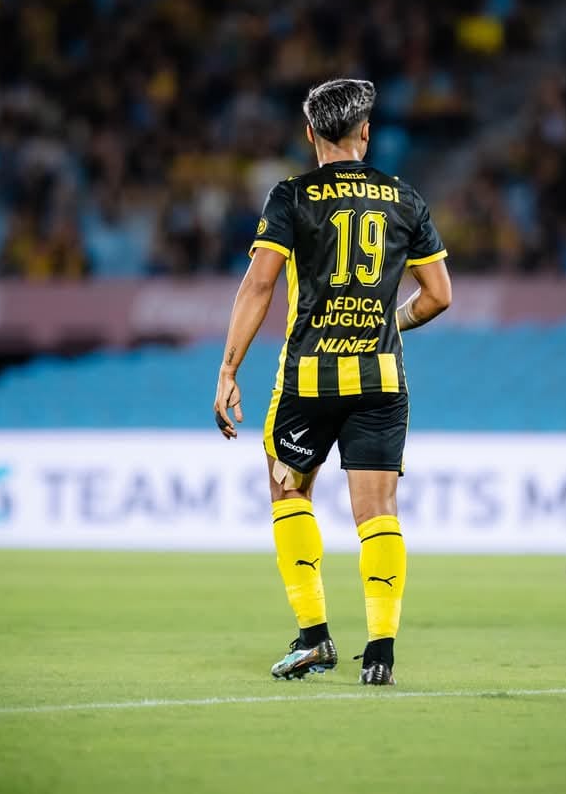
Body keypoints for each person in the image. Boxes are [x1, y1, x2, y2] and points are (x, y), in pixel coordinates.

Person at [213, 78, 451, 684]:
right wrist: (392, 322)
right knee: (378, 512)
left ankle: (315, 638)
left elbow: (259, 285)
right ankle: (381, 653)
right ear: (365, 133)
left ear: (310, 134)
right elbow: (438, 296)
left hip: (309, 381)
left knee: (289, 493)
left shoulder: (292, 196)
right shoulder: (404, 197)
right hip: (380, 378)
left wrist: (229, 368)